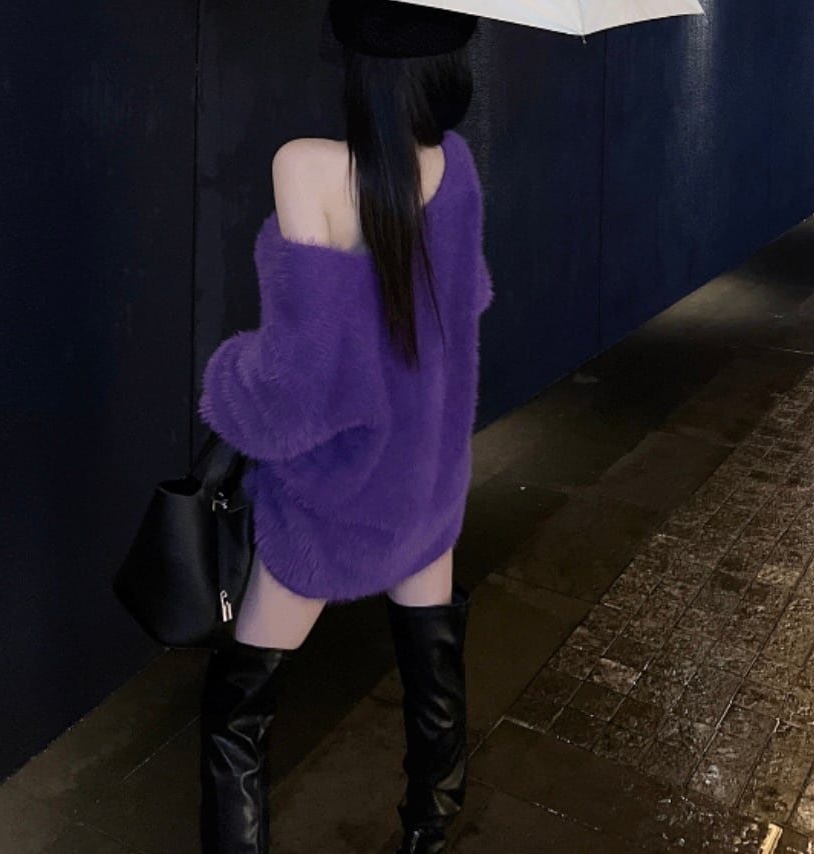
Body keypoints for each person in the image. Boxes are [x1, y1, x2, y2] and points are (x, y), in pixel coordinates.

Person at [195, 2, 490, 852]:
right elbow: (462, 310)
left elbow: (298, 387)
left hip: (334, 501)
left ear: (357, 62)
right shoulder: (458, 166)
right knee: (432, 671)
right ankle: (428, 834)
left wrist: (226, 379)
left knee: (240, 706)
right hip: (429, 480)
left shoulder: (306, 167)